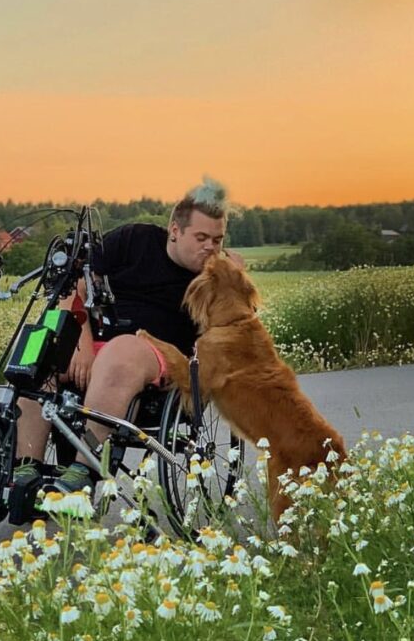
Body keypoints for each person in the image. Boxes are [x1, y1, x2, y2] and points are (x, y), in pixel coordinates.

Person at [13, 177, 245, 493]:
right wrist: (80, 344)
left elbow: (238, 329)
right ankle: (26, 471)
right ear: (175, 231)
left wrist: (234, 279)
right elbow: (74, 288)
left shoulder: (219, 273)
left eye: (217, 240)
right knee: (41, 348)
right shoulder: (134, 239)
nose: (210, 247)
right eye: (201, 237)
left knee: (123, 349)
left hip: (158, 356)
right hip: (94, 343)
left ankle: (83, 470)